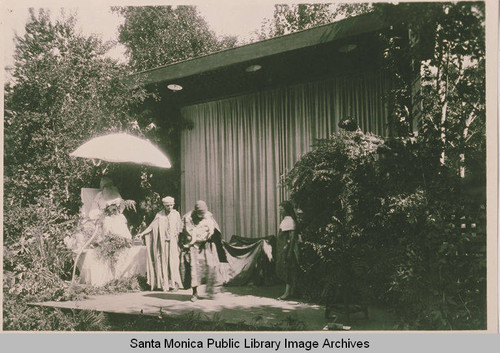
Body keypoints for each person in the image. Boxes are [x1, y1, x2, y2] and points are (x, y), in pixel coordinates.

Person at [180, 200, 226, 302]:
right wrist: (185, 245)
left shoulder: (209, 217)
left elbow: (215, 232)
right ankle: (194, 293)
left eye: (203, 213)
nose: (201, 215)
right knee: (194, 269)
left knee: (211, 266)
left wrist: (212, 240)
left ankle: (211, 291)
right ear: (196, 212)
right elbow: (183, 232)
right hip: (193, 246)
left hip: (206, 245)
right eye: (199, 213)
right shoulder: (188, 218)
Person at [137, 196, 183, 292]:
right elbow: (151, 227)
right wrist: (142, 234)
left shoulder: (176, 214)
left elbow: (180, 228)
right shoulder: (160, 215)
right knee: (164, 263)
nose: (169, 207)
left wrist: (179, 239)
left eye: (171, 205)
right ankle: (165, 284)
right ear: (164, 206)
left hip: (173, 242)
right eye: (167, 206)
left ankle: (175, 283)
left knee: (174, 263)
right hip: (163, 243)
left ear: (173, 205)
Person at [276, 200, 301, 300]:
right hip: (284, 248)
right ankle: (290, 291)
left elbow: (292, 237)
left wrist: (289, 251)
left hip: (287, 248)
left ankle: (287, 293)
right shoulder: (286, 220)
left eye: (282, 210)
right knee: (287, 269)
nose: (280, 211)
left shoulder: (290, 220)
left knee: (289, 270)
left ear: (286, 210)